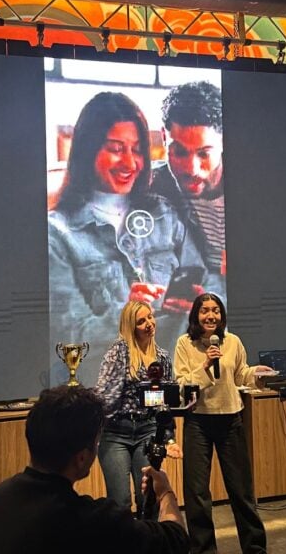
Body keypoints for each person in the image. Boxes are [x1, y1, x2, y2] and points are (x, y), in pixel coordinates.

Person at [48, 91, 205, 364]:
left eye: (136, 150)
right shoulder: (57, 235)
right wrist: (127, 317)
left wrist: (203, 306)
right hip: (107, 393)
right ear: (88, 150)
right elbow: (68, 337)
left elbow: (208, 283)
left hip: (177, 380)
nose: (130, 163)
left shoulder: (164, 214)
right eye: (116, 148)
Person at [0, 385, 188, 554]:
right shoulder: (90, 521)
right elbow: (176, 538)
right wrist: (165, 493)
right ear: (82, 458)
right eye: (96, 443)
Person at [173, 293, 271, 554]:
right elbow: (182, 385)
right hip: (198, 422)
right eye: (205, 310)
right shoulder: (185, 344)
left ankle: (255, 548)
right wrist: (205, 366)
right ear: (196, 315)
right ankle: (204, 549)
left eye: (215, 310)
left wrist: (257, 374)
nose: (211, 316)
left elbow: (241, 374)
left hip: (230, 419)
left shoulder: (233, 342)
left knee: (242, 492)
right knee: (197, 495)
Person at [96, 300, 183, 514]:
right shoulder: (119, 351)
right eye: (141, 321)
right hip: (116, 433)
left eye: (150, 317)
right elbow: (105, 394)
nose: (149, 324)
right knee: (120, 502)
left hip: (148, 431)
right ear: (130, 326)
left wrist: (169, 438)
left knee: (148, 499)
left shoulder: (162, 356)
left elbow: (164, 405)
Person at [154, 81, 226, 279]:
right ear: (163, 137)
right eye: (179, 152)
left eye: (204, 154)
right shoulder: (153, 187)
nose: (191, 169)